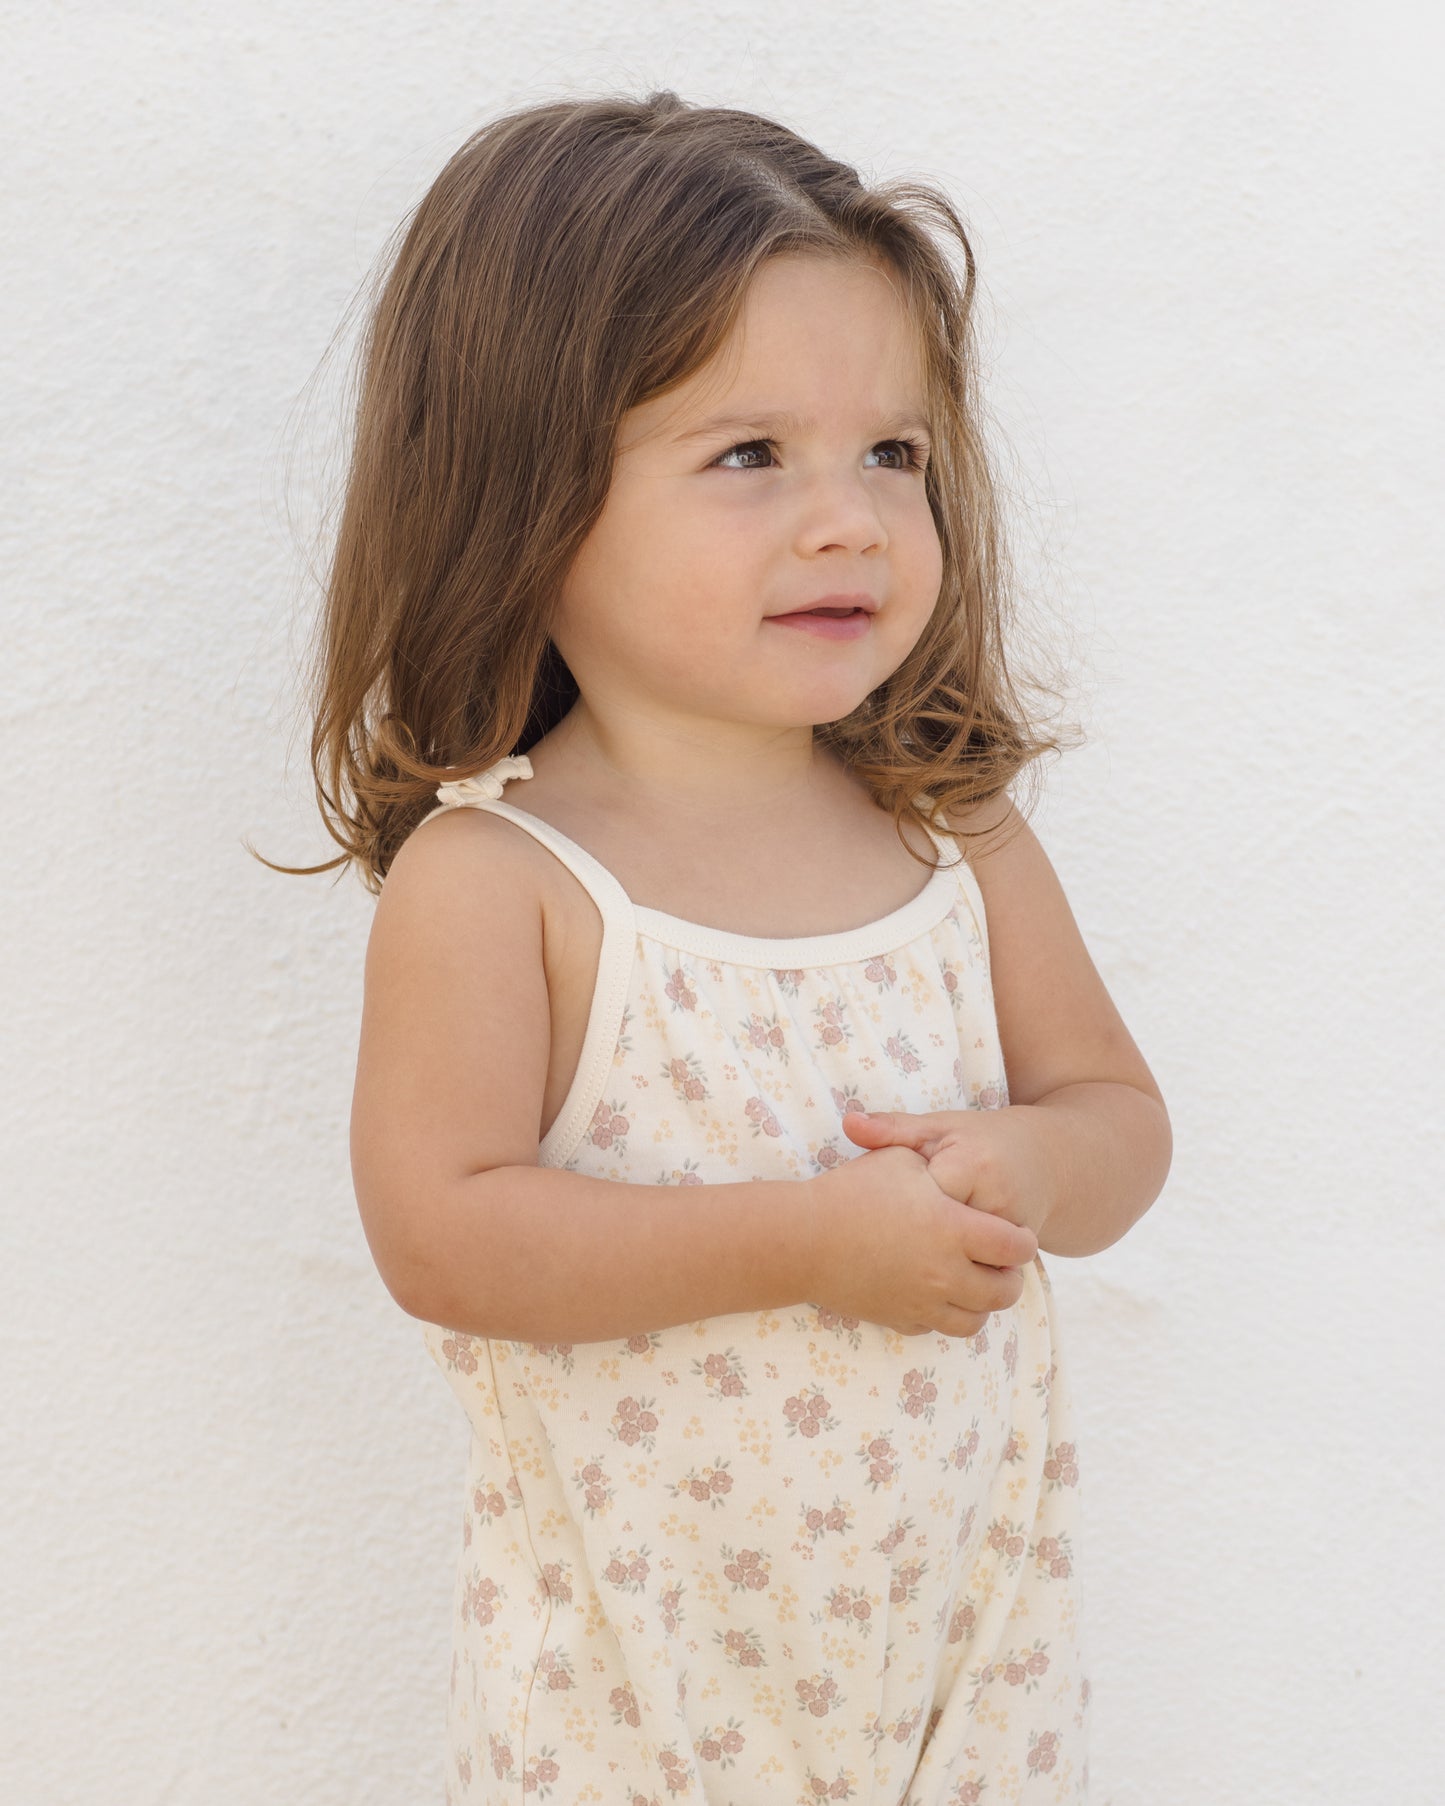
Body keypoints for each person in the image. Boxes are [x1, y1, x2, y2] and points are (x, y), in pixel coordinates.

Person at [270, 89, 1172, 1805]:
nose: (847, 517)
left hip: (961, 1681)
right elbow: (444, 1238)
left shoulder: (948, 836)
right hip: (637, 1705)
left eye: (889, 455)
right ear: (524, 500)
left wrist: (1032, 1162)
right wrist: (809, 1243)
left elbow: (1118, 1117)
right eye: (750, 455)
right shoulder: (504, 881)